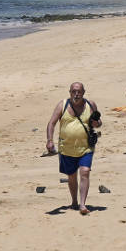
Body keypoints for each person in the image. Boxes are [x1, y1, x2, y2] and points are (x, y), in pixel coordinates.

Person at [44, 82, 100, 216]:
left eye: (79, 91)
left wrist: (96, 123)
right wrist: (49, 140)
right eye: (74, 91)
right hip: (66, 148)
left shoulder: (90, 105)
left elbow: (98, 124)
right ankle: (74, 201)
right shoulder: (62, 105)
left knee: (85, 172)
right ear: (69, 92)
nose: (76, 94)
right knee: (72, 176)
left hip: (86, 147)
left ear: (83, 92)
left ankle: (82, 204)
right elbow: (51, 123)